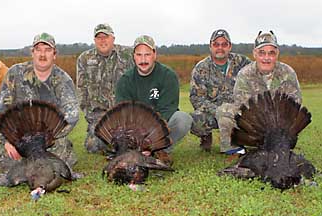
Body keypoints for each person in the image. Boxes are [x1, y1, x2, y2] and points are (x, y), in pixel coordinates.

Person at [0, 33, 80, 173]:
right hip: (18, 138)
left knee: (62, 164)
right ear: (32, 53)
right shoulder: (15, 73)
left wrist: (45, 138)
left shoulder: (63, 80)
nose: (42, 54)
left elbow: (72, 115)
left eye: (47, 50)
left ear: (54, 54)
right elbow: (1, 109)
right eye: (38, 49)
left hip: (49, 139)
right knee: (9, 164)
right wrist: (9, 139)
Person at [216, 30, 302, 154]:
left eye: (271, 53)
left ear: (277, 54)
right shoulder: (245, 74)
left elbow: (295, 104)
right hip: (255, 124)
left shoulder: (288, 73)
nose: (266, 58)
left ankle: (279, 147)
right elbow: (243, 107)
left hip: (280, 125)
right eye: (262, 53)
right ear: (254, 54)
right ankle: (234, 151)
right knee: (224, 111)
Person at [115, 35, 193, 165]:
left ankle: (162, 150)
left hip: (159, 128)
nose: (143, 59)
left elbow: (168, 110)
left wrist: (150, 142)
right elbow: (124, 113)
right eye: (139, 55)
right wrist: (138, 139)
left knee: (183, 119)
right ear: (133, 56)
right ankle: (135, 152)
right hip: (134, 131)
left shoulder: (168, 76)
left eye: (147, 54)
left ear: (154, 54)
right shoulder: (125, 80)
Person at [189, 29, 251, 153]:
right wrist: (218, 111)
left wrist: (239, 109)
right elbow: (196, 98)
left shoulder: (243, 63)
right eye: (216, 44)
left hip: (238, 111)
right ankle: (206, 136)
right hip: (213, 112)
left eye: (224, 44)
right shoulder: (201, 68)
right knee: (193, 121)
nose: (220, 48)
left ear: (230, 46)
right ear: (210, 46)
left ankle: (241, 139)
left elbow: (254, 83)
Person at [76, 23, 134, 154]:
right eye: (99, 37)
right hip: (100, 116)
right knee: (93, 146)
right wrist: (89, 115)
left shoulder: (128, 55)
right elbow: (81, 90)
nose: (102, 40)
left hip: (125, 113)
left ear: (113, 38)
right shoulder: (84, 59)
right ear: (94, 40)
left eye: (105, 36)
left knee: (131, 143)